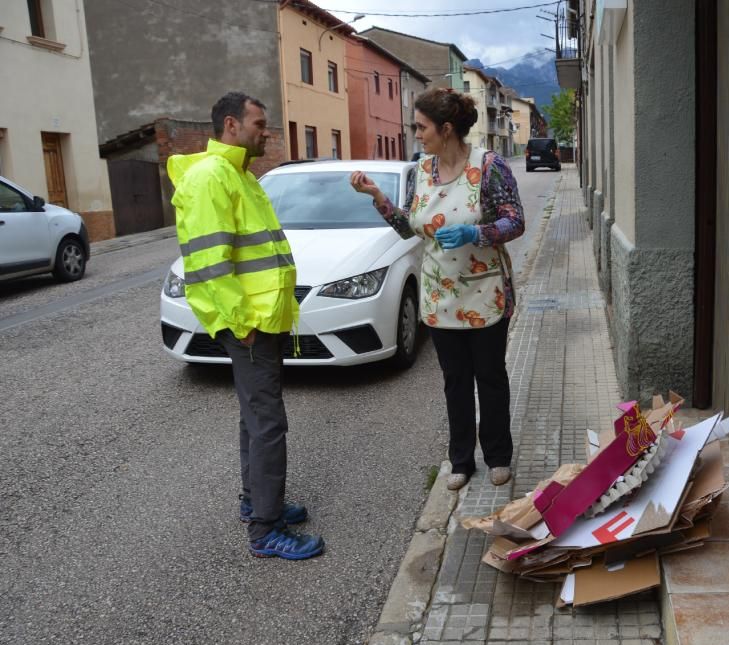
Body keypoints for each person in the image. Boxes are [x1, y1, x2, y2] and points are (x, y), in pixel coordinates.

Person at [167, 92, 324, 560]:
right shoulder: (212, 178)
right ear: (231, 125)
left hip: (262, 321)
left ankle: (257, 500)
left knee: (254, 419)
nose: (266, 131)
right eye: (259, 123)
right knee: (268, 424)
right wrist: (242, 324)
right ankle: (265, 529)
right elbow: (211, 265)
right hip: (248, 324)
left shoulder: (238, 175)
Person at [351, 88, 525, 491]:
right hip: (439, 296)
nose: (417, 134)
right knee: (455, 380)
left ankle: (498, 455)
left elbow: (515, 222)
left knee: (491, 377)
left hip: (485, 294)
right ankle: (461, 459)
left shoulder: (490, 166)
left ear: (446, 129)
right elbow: (409, 227)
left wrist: (476, 232)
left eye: (421, 127)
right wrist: (377, 196)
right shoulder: (423, 171)